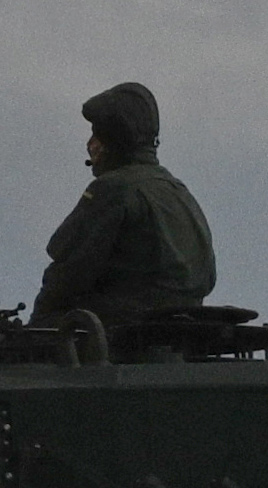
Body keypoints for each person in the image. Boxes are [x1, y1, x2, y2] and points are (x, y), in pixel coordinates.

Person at [32, 80, 215, 329]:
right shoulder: (177, 190)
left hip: (124, 326)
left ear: (113, 141)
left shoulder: (114, 189)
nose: (90, 145)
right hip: (181, 327)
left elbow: (69, 273)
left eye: (97, 136)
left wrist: (33, 330)